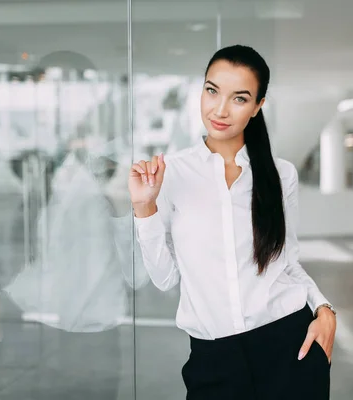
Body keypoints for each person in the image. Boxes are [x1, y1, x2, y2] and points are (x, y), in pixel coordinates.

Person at [128, 44, 336, 400]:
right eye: (212, 91)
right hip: (214, 360)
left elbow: (287, 263)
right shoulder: (171, 174)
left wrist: (324, 309)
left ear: (258, 107)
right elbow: (164, 279)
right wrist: (144, 207)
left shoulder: (280, 175)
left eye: (239, 98)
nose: (220, 110)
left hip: (290, 347)